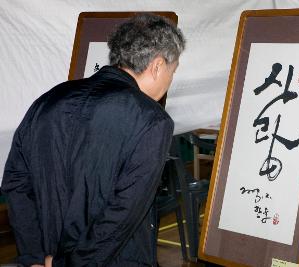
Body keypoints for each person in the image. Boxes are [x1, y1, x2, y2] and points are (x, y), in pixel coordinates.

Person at [1, 13, 185, 267]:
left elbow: (16, 183)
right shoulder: (152, 120)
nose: (170, 80)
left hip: (44, 257)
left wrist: (34, 257)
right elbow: (122, 215)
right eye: (172, 71)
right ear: (157, 66)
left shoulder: (47, 101)